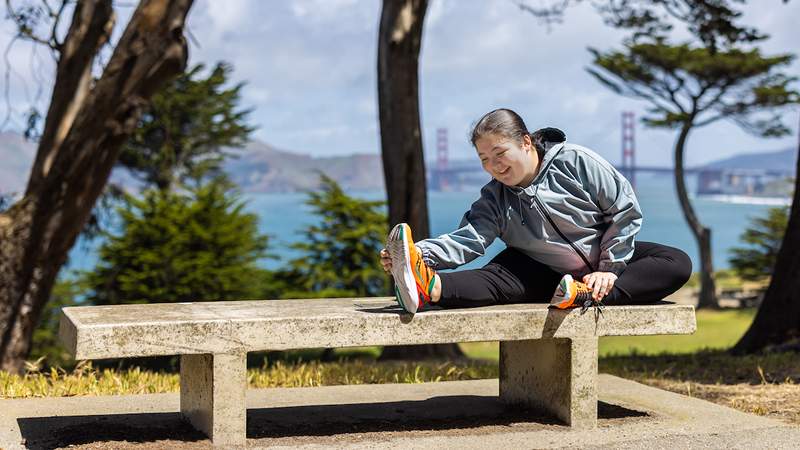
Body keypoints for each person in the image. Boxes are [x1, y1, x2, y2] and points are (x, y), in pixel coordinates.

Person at [381, 108, 691, 314]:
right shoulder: (495, 197)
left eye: (500, 153)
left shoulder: (575, 161)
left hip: (602, 259)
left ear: (526, 142)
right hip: (545, 271)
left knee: (676, 262)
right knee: (496, 276)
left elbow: (624, 210)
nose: (494, 166)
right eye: (484, 159)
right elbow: (470, 238)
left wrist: (608, 270)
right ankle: (427, 287)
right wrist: (414, 254)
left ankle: (588, 293)